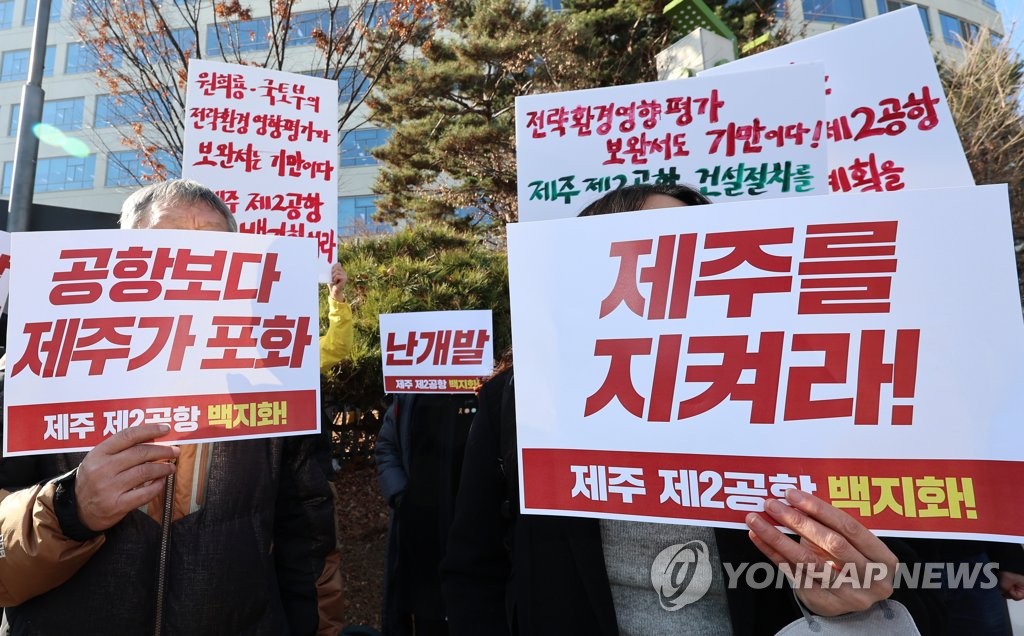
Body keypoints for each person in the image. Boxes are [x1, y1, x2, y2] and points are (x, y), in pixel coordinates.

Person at [440, 184, 945, 636]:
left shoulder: (797, 392)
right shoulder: (518, 398)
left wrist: (847, 601)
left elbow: (899, 561)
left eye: (704, 251)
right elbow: (474, 568)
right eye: (656, 248)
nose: (681, 271)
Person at [0, 179, 343, 635]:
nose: (192, 263)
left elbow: (309, 537)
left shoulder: (279, 385)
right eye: (169, 242)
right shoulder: (35, 374)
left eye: (216, 252)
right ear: (120, 259)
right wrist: (68, 508)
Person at [375, 392, 478, 636]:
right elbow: (386, 446)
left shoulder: (488, 388)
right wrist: (401, 496)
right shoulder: (411, 391)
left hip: (477, 552)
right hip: (423, 551)